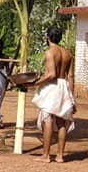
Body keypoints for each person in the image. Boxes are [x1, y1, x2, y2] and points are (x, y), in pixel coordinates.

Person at [32, 26, 76, 163]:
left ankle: (46, 155)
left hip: (53, 86)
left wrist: (37, 82)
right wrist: (71, 96)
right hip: (64, 86)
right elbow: (70, 76)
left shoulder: (50, 52)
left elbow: (51, 74)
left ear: (48, 37)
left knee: (48, 118)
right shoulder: (68, 53)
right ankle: (60, 155)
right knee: (62, 120)